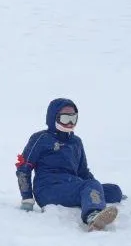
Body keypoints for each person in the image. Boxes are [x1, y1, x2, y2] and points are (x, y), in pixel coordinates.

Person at [16, 98, 124, 230]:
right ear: (53, 117)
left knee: (114, 190)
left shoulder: (76, 142)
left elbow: (83, 172)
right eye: (65, 118)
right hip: (48, 190)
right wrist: (27, 198)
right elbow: (23, 168)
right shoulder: (41, 138)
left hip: (71, 185)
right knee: (90, 186)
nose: (70, 123)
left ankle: (93, 198)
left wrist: (95, 188)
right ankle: (93, 216)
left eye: (73, 118)